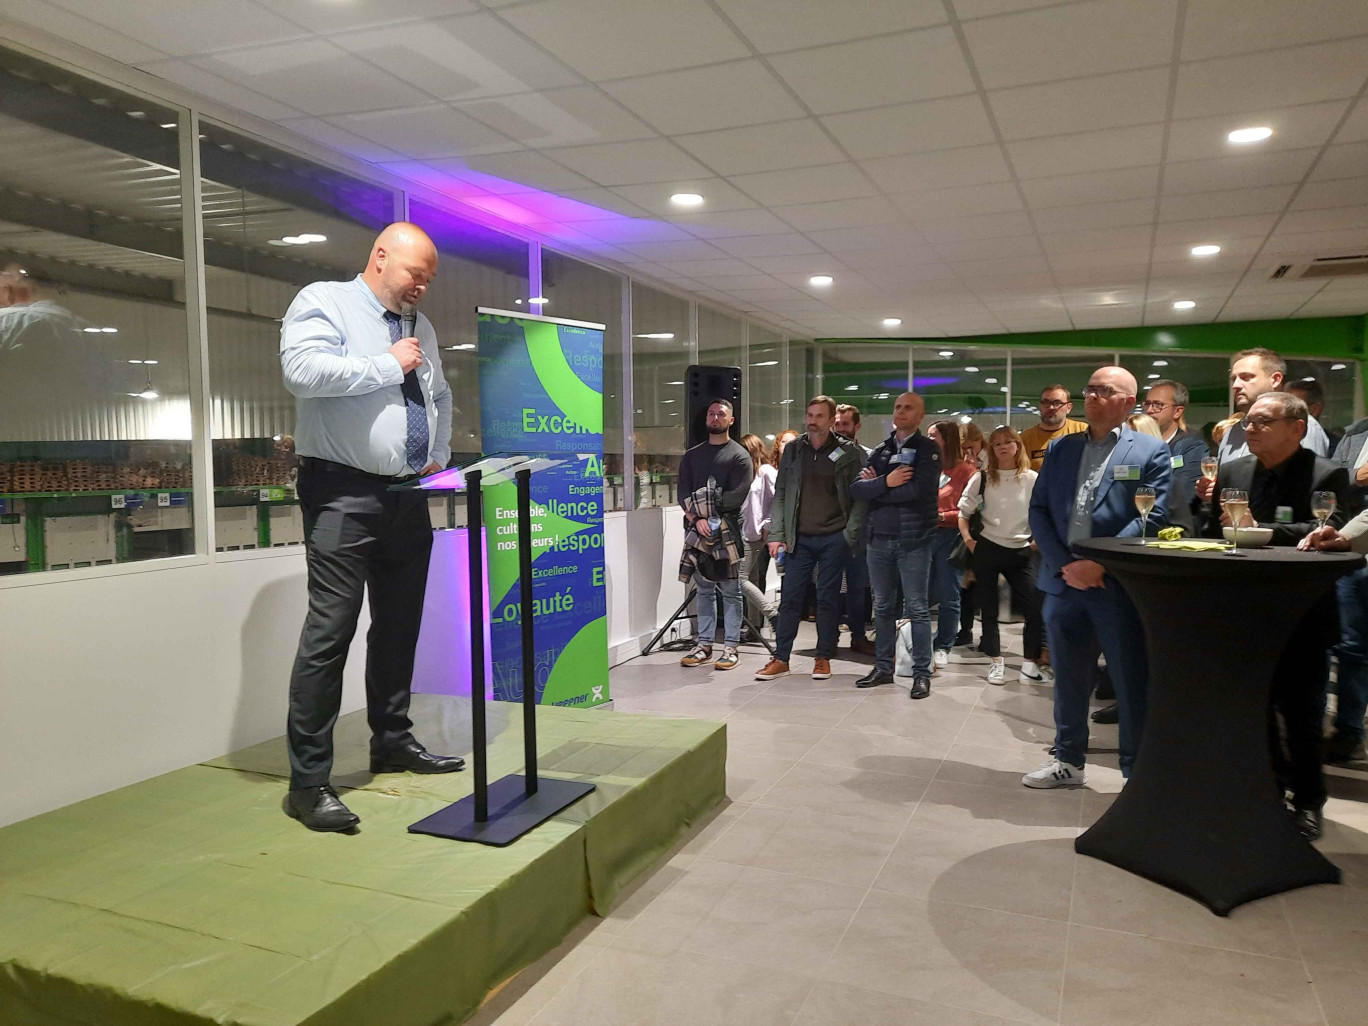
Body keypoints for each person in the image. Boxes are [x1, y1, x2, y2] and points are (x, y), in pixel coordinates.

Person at [279, 222, 461, 833]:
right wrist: (385, 364)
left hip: (408, 495)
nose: (421, 288)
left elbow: (438, 392)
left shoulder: (422, 328)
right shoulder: (322, 302)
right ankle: (308, 783)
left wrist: (436, 449)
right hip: (341, 492)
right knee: (330, 632)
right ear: (380, 257)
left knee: (399, 625)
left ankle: (391, 739)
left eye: (429, 280)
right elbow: (302, 373)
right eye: (415, 274)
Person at [1207, 392, 1348, 838]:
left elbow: (1328, 529)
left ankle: (1309, 801)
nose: (1249, 429)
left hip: (1303, 610)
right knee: (1254, 706)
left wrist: (1261, 530)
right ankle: (1267, 788)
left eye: (1262, 422)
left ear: (1297, 428)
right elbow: (1217, 530)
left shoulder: (1327, 473)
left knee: (1303, 712)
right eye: (1248, 421)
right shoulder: (1233, 471)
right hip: (1245, 607)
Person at [1023, 366, 1172, 789]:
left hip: (1116, 585)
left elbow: (1154, 516)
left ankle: (1135, 773)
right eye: (1089, 389)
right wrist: (1064, 565)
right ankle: (1068, 762)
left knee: (1128, 679)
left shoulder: (1149, 451)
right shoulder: (1062, 448)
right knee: (1068, 681)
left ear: (1128, 401)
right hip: (1064, 582)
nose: (1091, 396)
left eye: (1103, 390)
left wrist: (1099, 562)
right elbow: (1039, 511)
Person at [755, 397, 867, 681]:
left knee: (827, 599)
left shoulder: (849, 453)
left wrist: (848, 534)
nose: (812, 421)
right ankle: (781, 658)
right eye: (809, 415)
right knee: (791, 599)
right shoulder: (794, 450)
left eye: (819, 416)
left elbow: (860, 497)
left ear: (831, 421)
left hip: (834, 537)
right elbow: (780, 494)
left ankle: (823, 656)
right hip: (799, 538)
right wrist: (777, 535)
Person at [849, 392, 941, 696]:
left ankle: (920, 673)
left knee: (916, 608)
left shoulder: (928, 450)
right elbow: (857, 490)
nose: (900, 411)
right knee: (883, 607)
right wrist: (886, 482)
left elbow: (919, 491)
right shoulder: (881, 450)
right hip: (879, 540)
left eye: (908, 408)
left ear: (920, 416)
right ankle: (883, 668)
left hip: (913, 541)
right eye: (897, 407)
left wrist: (877, 488)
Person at [958, 426, 1043, 684]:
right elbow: (964, 513)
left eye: (1008, 442)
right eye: (997, 444)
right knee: (989, 609)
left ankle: (1030, 663)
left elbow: (1042, 512)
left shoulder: (1031, 478)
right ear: (991, 449)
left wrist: (1037, 540)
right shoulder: (982, 478)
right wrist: (969, 541)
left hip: (1021, 550)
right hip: (988, 548)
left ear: (1018, 445)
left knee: (1034, 609)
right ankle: (995, 661)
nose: (1003, 447)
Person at [677, 400, 752, 671]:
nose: (715, 417)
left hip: (728, 531)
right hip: (697, 531)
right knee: (704, 590)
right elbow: (682, 493)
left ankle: (731, 648)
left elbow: (735, 497)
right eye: (711, 413)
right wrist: (696, 519)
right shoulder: (692, 456)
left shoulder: (740, 455)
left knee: (731, 592)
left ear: (731, 420)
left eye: (721, 414)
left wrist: (709, 513)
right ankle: (704, 645)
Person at [1303, 507, 1368, 764]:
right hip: (1349, 557)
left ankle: (1349, 733)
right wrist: (1342, 538)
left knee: (1354, 650)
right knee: (1341, 645)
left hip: (1355, 557)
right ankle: (1336, 733)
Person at [928, 419, 975, 667]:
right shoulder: (928, 467)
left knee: (949, 594)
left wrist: (942, 515)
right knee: (918, 593)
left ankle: (943, 644)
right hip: (923, 536)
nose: (928, 440)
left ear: (947, 439)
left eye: (933, 436)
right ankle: (914, 641)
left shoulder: (966, 472)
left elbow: (972, 511)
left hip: (951, 537)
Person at [1140, 379, 1208, 535]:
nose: (1150, 410)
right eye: (1147, 404)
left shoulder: (1192, 445)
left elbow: (1184, 493)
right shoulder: (1141, 444)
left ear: (1177, 411)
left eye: (1158, 405)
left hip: (1175, 532)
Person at [833, 403, 874, 654]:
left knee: (858, 588)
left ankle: (858, 636)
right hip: (829, 530)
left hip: (859, 533)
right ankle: (828, 641)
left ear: (857, 426)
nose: (840, 429)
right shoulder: (824, 454)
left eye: (845, 424)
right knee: (829, 588)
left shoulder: (867, 455)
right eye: (836, 424)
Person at [738, 432, 778, 640]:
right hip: (745, 531)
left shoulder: (766, 471)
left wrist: (768, 526)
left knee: (740, 580)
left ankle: (772, 614)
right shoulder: (750, 473)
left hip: (754, 533)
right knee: (751, 578)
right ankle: (754, 626)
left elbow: (774, 501)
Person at [1020, 385, 1089, 472]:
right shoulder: (1024, 439)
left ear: (1069, 407)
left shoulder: (1083, 431)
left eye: (1057, 403)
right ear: (1040, 406)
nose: (1051, 407)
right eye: (1046, 402)